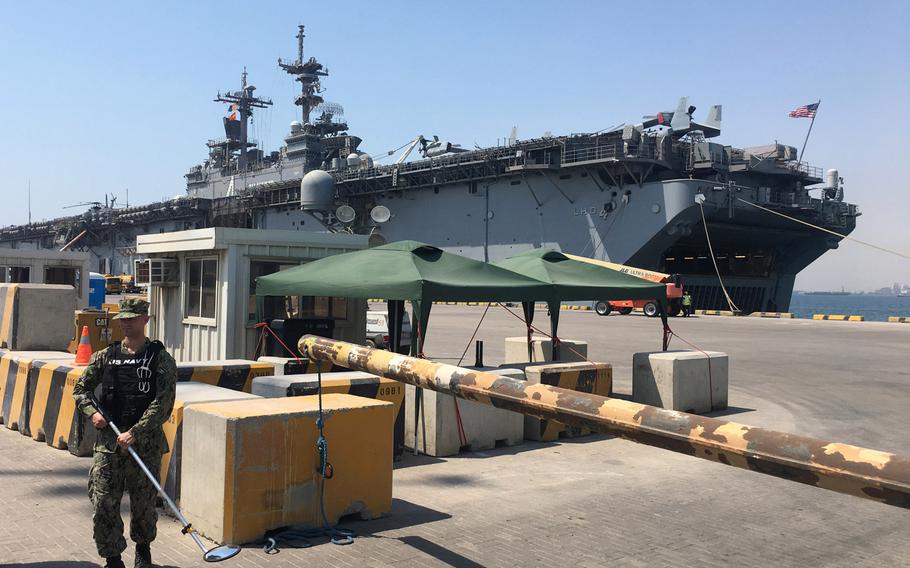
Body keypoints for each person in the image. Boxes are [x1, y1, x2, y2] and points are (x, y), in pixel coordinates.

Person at [73, 298, 177, 568]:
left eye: (132, 318)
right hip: (109, 445)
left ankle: (143, 551)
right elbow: (81, 389)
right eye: (123, 318)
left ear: (146, 320)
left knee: (143, 504)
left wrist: (136, 432)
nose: (127, 323)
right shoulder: (105, 356)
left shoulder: (160, 359)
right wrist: (92, 413)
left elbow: (163, 404)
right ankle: (112, 557)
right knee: (104, 501)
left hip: (145, 444)